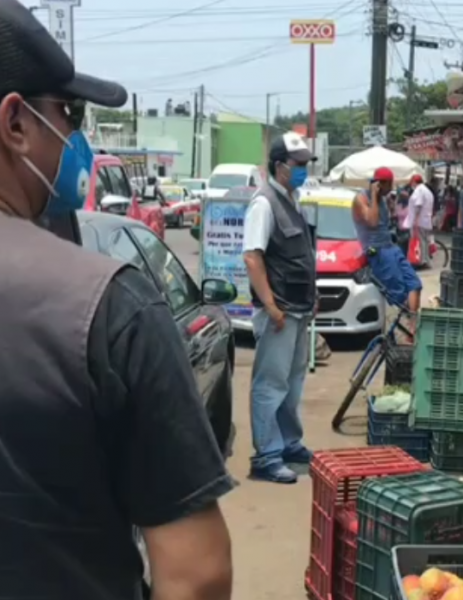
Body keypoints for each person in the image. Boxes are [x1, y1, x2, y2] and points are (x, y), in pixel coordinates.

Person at [0, 2, 234, 598]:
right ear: (15, 123)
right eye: (69, 114)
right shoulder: (108, 305)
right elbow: (196, 575)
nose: (74, 139)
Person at [243, 131, 317, 484]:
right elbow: (252, 257)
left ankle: (289, 442)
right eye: (298, 164)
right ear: (279, 166)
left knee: (292, 381)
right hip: (280, 311)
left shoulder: (293, 198)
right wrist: (271, 306)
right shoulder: (264, 203)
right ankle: (267, 456)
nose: (303, 169)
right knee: (270, 383)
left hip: (298, 309)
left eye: (305, 164)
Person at [352, 167, 422, 312]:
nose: (390, 189)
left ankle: (413, 324)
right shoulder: (362, 199)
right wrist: (373, 193)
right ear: (378, 184)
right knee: (399, 291)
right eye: (388, 185)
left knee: (415, 284)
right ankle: (406, 319)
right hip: (378, 251)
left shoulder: (383, 199)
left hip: (391, 247)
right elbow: (372, 222)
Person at [404, 174, 435, 265]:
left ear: (414, 182)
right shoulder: (428, 191)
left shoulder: (419, 190)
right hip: (427, 220)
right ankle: (425, 260)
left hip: (419, 221)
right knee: (425, 241)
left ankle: (420, 261)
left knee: (420, 242)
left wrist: (415, 220)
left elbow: (418, 205)